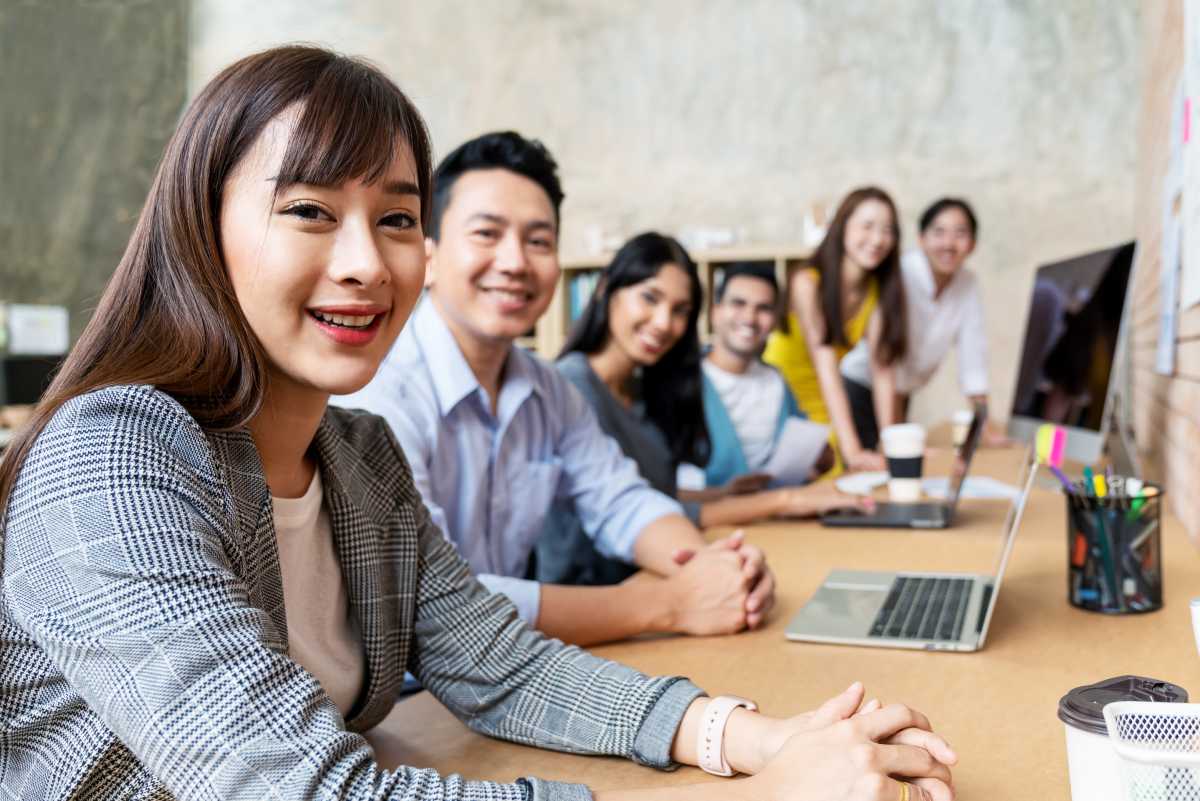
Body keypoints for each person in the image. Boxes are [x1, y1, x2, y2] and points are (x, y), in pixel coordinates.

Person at [0, 46, 958, 801]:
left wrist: (757, 736)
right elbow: (310, 790)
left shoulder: (357, 457)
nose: (366, 263)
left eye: (397, 218)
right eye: (308, 210)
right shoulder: (113, 457)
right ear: (201, 229)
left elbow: (505, 666)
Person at [336, 132, 776, 646]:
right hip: (402, 695)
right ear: (427, 256)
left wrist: (717, 570)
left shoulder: (547, 389)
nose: (516, 262)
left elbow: (621, 500)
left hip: (509, 669)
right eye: (487, 234)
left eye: (538, 241)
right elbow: (431, 602)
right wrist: (668, 603)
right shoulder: (376, 392)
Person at [534, 235, 870, 588]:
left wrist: (723, 494)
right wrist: (786, 500)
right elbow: (630, 512)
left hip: (651, 576)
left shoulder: (644, 389)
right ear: (605, 288)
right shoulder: (572, 386)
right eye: (650, 297)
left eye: (680, 311)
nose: (664, 323)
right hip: (596, 593)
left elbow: (651, 496)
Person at [763, 187, 907, 472]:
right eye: (867, 226)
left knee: (847, 477)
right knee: (832, 472)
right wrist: (852, 451)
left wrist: (892, 446)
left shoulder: (876, 290)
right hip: (781, 398)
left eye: (887, 230)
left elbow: (882, 371)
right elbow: (826, 366)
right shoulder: (808, 282)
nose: (877, 239)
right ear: (842, 227)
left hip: (823, 401)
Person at [840, 198, 1000, 444]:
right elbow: (885, 362)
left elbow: (973, 359)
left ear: (973, 244)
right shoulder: (900, 274)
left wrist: (985, 427)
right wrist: (893, 433)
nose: (948, 243)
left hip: (901, 394)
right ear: (921, 238)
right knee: (870, 468)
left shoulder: (967, 284)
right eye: (939, 232)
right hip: (860, 387)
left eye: (960, 233)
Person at [694, 261, 835, 489]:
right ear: (715, 312)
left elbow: (811, 455)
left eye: (764, 308)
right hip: (708, 517)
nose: (750, 318)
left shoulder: (776, 382)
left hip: (773, 515)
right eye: (738, 303)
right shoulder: (686, 382)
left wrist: (820, 459)